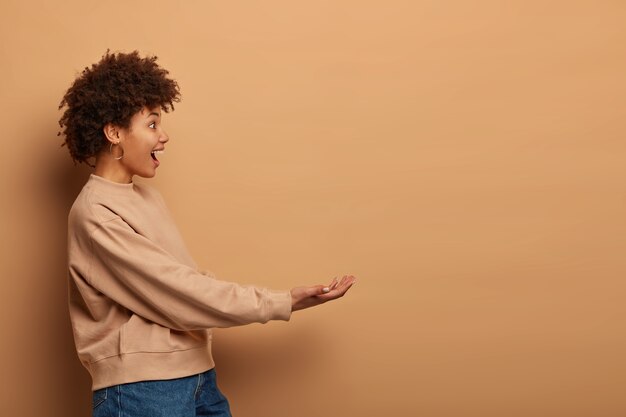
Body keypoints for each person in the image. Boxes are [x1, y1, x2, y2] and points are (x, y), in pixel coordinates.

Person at [58, 50, 356, 417]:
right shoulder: (95, 214)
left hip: (198, 375)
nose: (164, 136)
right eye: (152, 124)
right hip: (143, 392)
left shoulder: (147, 199)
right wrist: (282, 301)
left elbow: (186, 283)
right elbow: (179, 293)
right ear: (115, 132)